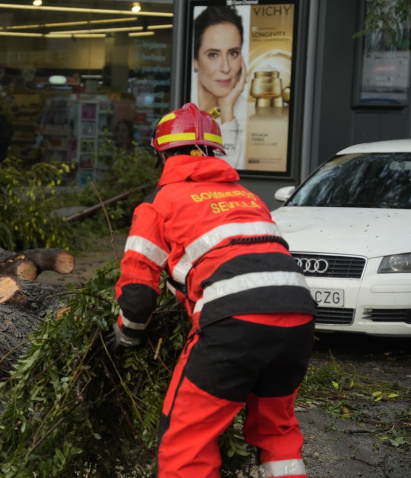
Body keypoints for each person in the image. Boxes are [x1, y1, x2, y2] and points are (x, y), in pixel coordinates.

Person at [110, 103, 315, 478]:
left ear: (164, 154)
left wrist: (126, 337)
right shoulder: (250, 199)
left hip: (232, 323)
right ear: (216, 153)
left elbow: (138, 296)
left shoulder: (159, 204)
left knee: (185, 445)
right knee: (277, 430)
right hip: (298, 315)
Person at [192, 5, 248, 170]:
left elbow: (230, 171)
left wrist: (226, 108)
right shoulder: (182, 108)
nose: (225, 68)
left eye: (233, 53)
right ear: (195, 60)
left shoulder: (247, 113)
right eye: (213, 55)